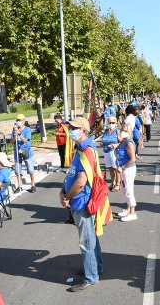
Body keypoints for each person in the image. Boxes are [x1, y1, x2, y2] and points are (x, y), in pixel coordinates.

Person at [60, 117, 102, 292]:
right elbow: (71, 175)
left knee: (86, 242)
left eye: (74, 128)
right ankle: (94, 268)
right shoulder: (79, 149)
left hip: (82, 203)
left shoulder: (86, 151)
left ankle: (91, 277)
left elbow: (80, 182)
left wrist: (67, 197)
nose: (70, 130)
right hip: (77, 201)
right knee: (91, 238)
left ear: (83, 130)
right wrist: (62, 191)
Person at [115, 123, 138, 222]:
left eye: (126, 131)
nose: (123, 132)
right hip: (124, 169)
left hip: (128, 169)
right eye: (122, 130)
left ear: (131, 133)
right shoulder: (123, 141)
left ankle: (133, 213)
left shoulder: (129, 143)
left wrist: (123, 167)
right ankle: (128, 210)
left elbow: (133, 159)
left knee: (129, 191)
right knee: (126, 190)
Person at [10, 113, 36, 193]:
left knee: (30, 169)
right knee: (18, 170)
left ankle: (32, 185)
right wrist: (15, 135)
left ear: (23, 121)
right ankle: (20, 186)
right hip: (17, 152)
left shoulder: (27, 129)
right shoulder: (14, 130)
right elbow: (11, 142)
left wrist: (19, 133)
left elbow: (25, 140)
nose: (18, 122)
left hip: (26, 151)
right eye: (17, 120)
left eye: (19, 120)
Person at [102, 116, 121, 191]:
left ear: (116, 123)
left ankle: (118, 184)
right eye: (110, 122)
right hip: (106, 152)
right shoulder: (106, 131)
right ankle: (112, 183)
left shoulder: (117, 131)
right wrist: (102, 143)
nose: (111, 124)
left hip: (113, 152)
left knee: (116, 168)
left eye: (113, 122)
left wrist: (115, 145)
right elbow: (103, 140)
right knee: (110, 168)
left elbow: (121, 142)